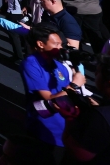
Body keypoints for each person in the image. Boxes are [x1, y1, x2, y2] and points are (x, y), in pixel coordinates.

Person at [59, 54, 110, 162]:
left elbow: (79, 153)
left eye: (98, 72)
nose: (95, 74)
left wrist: (69, 120)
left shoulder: (103, 117)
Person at [21, 25, 85, 157]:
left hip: (65, 124)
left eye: (61, 44)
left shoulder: (59, 64)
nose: (60, 48)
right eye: (56, 44)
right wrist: (74, 85)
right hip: (45, 127)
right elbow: (49, 98)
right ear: (40, 44)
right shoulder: (30, 64)